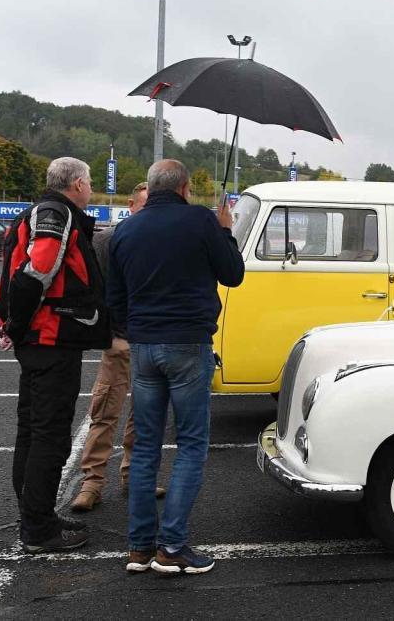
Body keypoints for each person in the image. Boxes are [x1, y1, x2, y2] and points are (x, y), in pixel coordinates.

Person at [109, 160, 244, 575]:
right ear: (185, 187)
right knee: (190, 445)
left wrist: (134, 331)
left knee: (146, 445)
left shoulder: (125, 229)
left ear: (150, 188)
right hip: (188, 341)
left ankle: (139, 547)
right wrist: (224, 229)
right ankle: (172, 546)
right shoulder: (201, 221)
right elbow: (233, 274)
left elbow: (115, 296)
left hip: (145, 344)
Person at [0, 157, 111, 553]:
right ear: (77, 183)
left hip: (42, 340)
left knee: (32, 429)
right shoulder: (56, 213)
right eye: (90, 181)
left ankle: (35, 514)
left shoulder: (37, 211)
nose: (91, 188)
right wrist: (16, 324)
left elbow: (9, 278)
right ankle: (38, 528)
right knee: (49, 434)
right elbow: (33, 273)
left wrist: (9, 320)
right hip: (51, 341)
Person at [71, 183, 166, 511]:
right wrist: (108, 336)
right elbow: (92, 292)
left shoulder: (162, 242)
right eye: (145, 204)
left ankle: (134, 477)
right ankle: (92, 482)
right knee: (104, 412)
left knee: (145, 417)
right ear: (130, 205)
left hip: (150, 342)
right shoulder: (106, 240)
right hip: (119, 341)